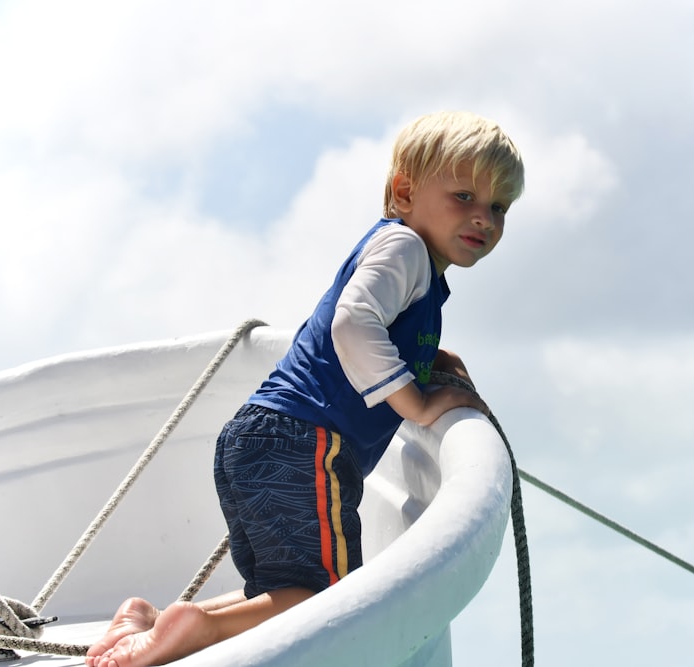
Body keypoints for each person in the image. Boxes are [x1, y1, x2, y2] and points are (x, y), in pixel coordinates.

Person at [85, 110, 525, 667]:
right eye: (464, 196)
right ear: (405, 191)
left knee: (287, 592)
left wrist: (434, 358)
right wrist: (416, 402)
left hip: (263, 438)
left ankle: (147, 627)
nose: (483, 219)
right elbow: (352, 324)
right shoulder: (407, 250)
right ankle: (192, 626)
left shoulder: (402, 257)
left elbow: (369, 326)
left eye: (499, 208)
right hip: (307, 442)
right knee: (328, 603)